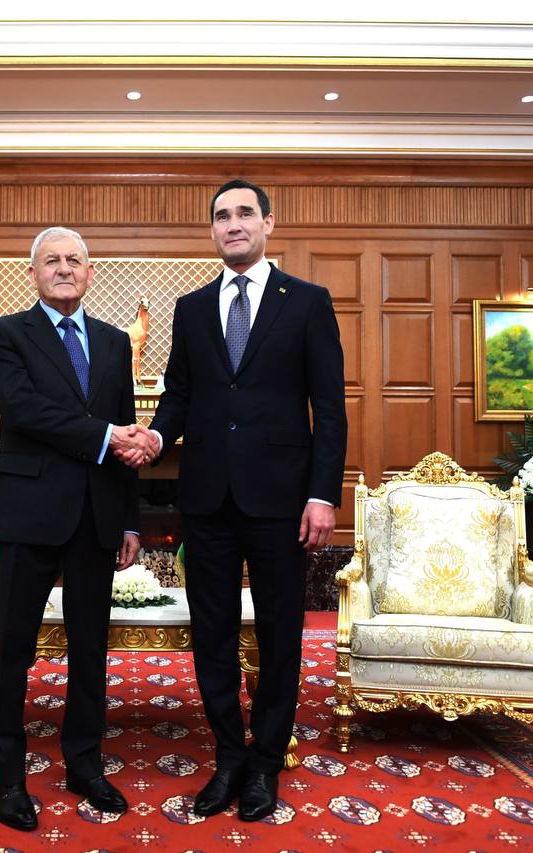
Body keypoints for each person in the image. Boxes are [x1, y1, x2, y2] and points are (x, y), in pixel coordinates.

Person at [128, 179, 347, 821]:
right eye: (222, 216)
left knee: (280, 634)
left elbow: (329, 408)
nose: (234, 224)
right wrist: (157, 435)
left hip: (282, 500)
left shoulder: (307, 302)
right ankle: (228, 756)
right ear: (212, 231)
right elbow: (179, 393)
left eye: (245, 213)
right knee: (212, 634)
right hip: (207, 498)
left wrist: (322, 494)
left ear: (268, 224)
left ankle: (266, 763)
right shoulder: (192, 307)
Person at [0, 226, 154, 831]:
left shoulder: (113, 342)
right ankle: (8, 778)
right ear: (32, 273)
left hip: (97, 515)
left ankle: (84, 764)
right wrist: (104, 435)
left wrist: (129, 520)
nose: (63, 269)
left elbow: (125, 427)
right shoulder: (4, 333)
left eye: (73, 260)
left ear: (89, 273)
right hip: (27, 514)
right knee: (13, 650)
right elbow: (23, 409)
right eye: (50, 260)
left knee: (89, 648)